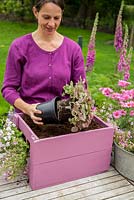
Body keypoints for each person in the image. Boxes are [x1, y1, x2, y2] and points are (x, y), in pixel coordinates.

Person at [1, 0, 87, 125]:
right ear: (36, 12)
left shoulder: (73, 49)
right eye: (46, 17)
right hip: (28, 118)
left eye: (56, 18)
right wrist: (26, 108)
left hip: (62, 120)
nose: (51, 24)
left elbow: (81, 88)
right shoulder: (19, 46)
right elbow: (8, 89)